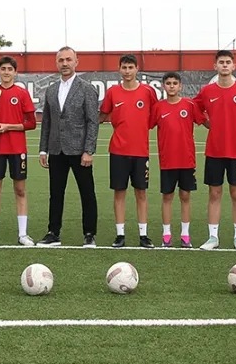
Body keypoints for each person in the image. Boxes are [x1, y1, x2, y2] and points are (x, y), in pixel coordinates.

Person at [193, 49, 236, 251]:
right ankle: (213, 237)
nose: (225, 65)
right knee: (214, 193)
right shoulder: (207, 91)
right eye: (221, 62)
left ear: (233, 66)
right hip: (214, 151)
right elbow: (196, 108)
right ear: (215, 66)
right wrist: (206, 122)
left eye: (228, 62)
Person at [38, 46, 101, 246]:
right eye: (61, 60)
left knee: (87, 193)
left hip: (79, 150)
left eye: (68, 60)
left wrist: (88, 150)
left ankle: (89, 233)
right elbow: (46, 122)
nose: (64, 64)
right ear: (57, 63)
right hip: (56, 150)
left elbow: (93, 121)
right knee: (56, 193)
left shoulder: (87, 88)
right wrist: (43, 149)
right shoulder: (51, 90)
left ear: (76, 62)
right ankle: (53, 232)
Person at [100, 55, 158, 248]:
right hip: (118, 150)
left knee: (141, 193)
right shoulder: (113, 92)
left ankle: (143, 235)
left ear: (137, 69)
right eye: (124, 67)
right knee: (120, 192)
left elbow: (154, 117)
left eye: (130, 67)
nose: (127, 71)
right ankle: (120, 234)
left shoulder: (148, 92)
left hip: (141, 151)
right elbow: (102, 115)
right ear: (119, 69)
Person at [0, 55, 37, 246]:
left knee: (20, 189)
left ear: (15, 72)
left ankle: (23, 234)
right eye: (3, 69)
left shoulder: (21, 94)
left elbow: (31, 124)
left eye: (9, 69)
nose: (6, 72)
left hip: (17, 148)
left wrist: (8, 127)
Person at [155, 72, 204, 247]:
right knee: (167, 197)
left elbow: (204, 121)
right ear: (163, 86)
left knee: (185, 196)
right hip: (167, 160)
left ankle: (185, 235)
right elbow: (144, 124)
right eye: (168, 83)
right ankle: (166, 234)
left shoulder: (189, 105)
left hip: (187, 160)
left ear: (180, 86)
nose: (172, 86)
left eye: (175, 83)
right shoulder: (158, 107)